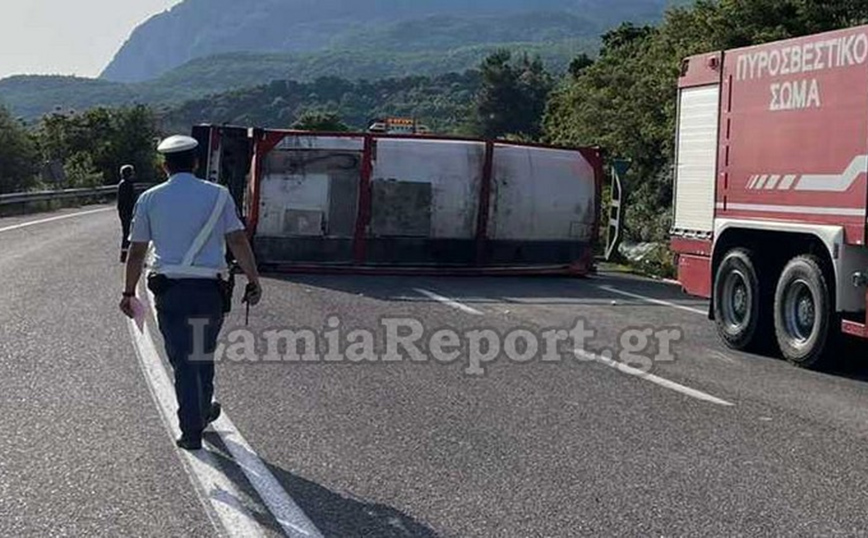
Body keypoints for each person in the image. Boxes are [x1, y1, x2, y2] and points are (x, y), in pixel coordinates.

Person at [119, 135, 262, 450]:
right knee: (201, 353)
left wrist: (129, 291)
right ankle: (202, 409)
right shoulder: (218, 195)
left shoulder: (150, 199)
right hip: (210, 290)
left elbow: (138, 250)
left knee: (183, 360)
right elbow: (237, 240)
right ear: (196, 162)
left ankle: (192, 428)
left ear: (163, 165)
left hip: (170, 291)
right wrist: (253, 279)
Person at [117, 165, 138, 263]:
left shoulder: (123, 184)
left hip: (124, 212)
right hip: (128, 213)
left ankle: (125, 254)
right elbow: (131, 201)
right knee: (128, 233)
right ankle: (125, 255)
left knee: (127, 233)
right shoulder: (127, 185)